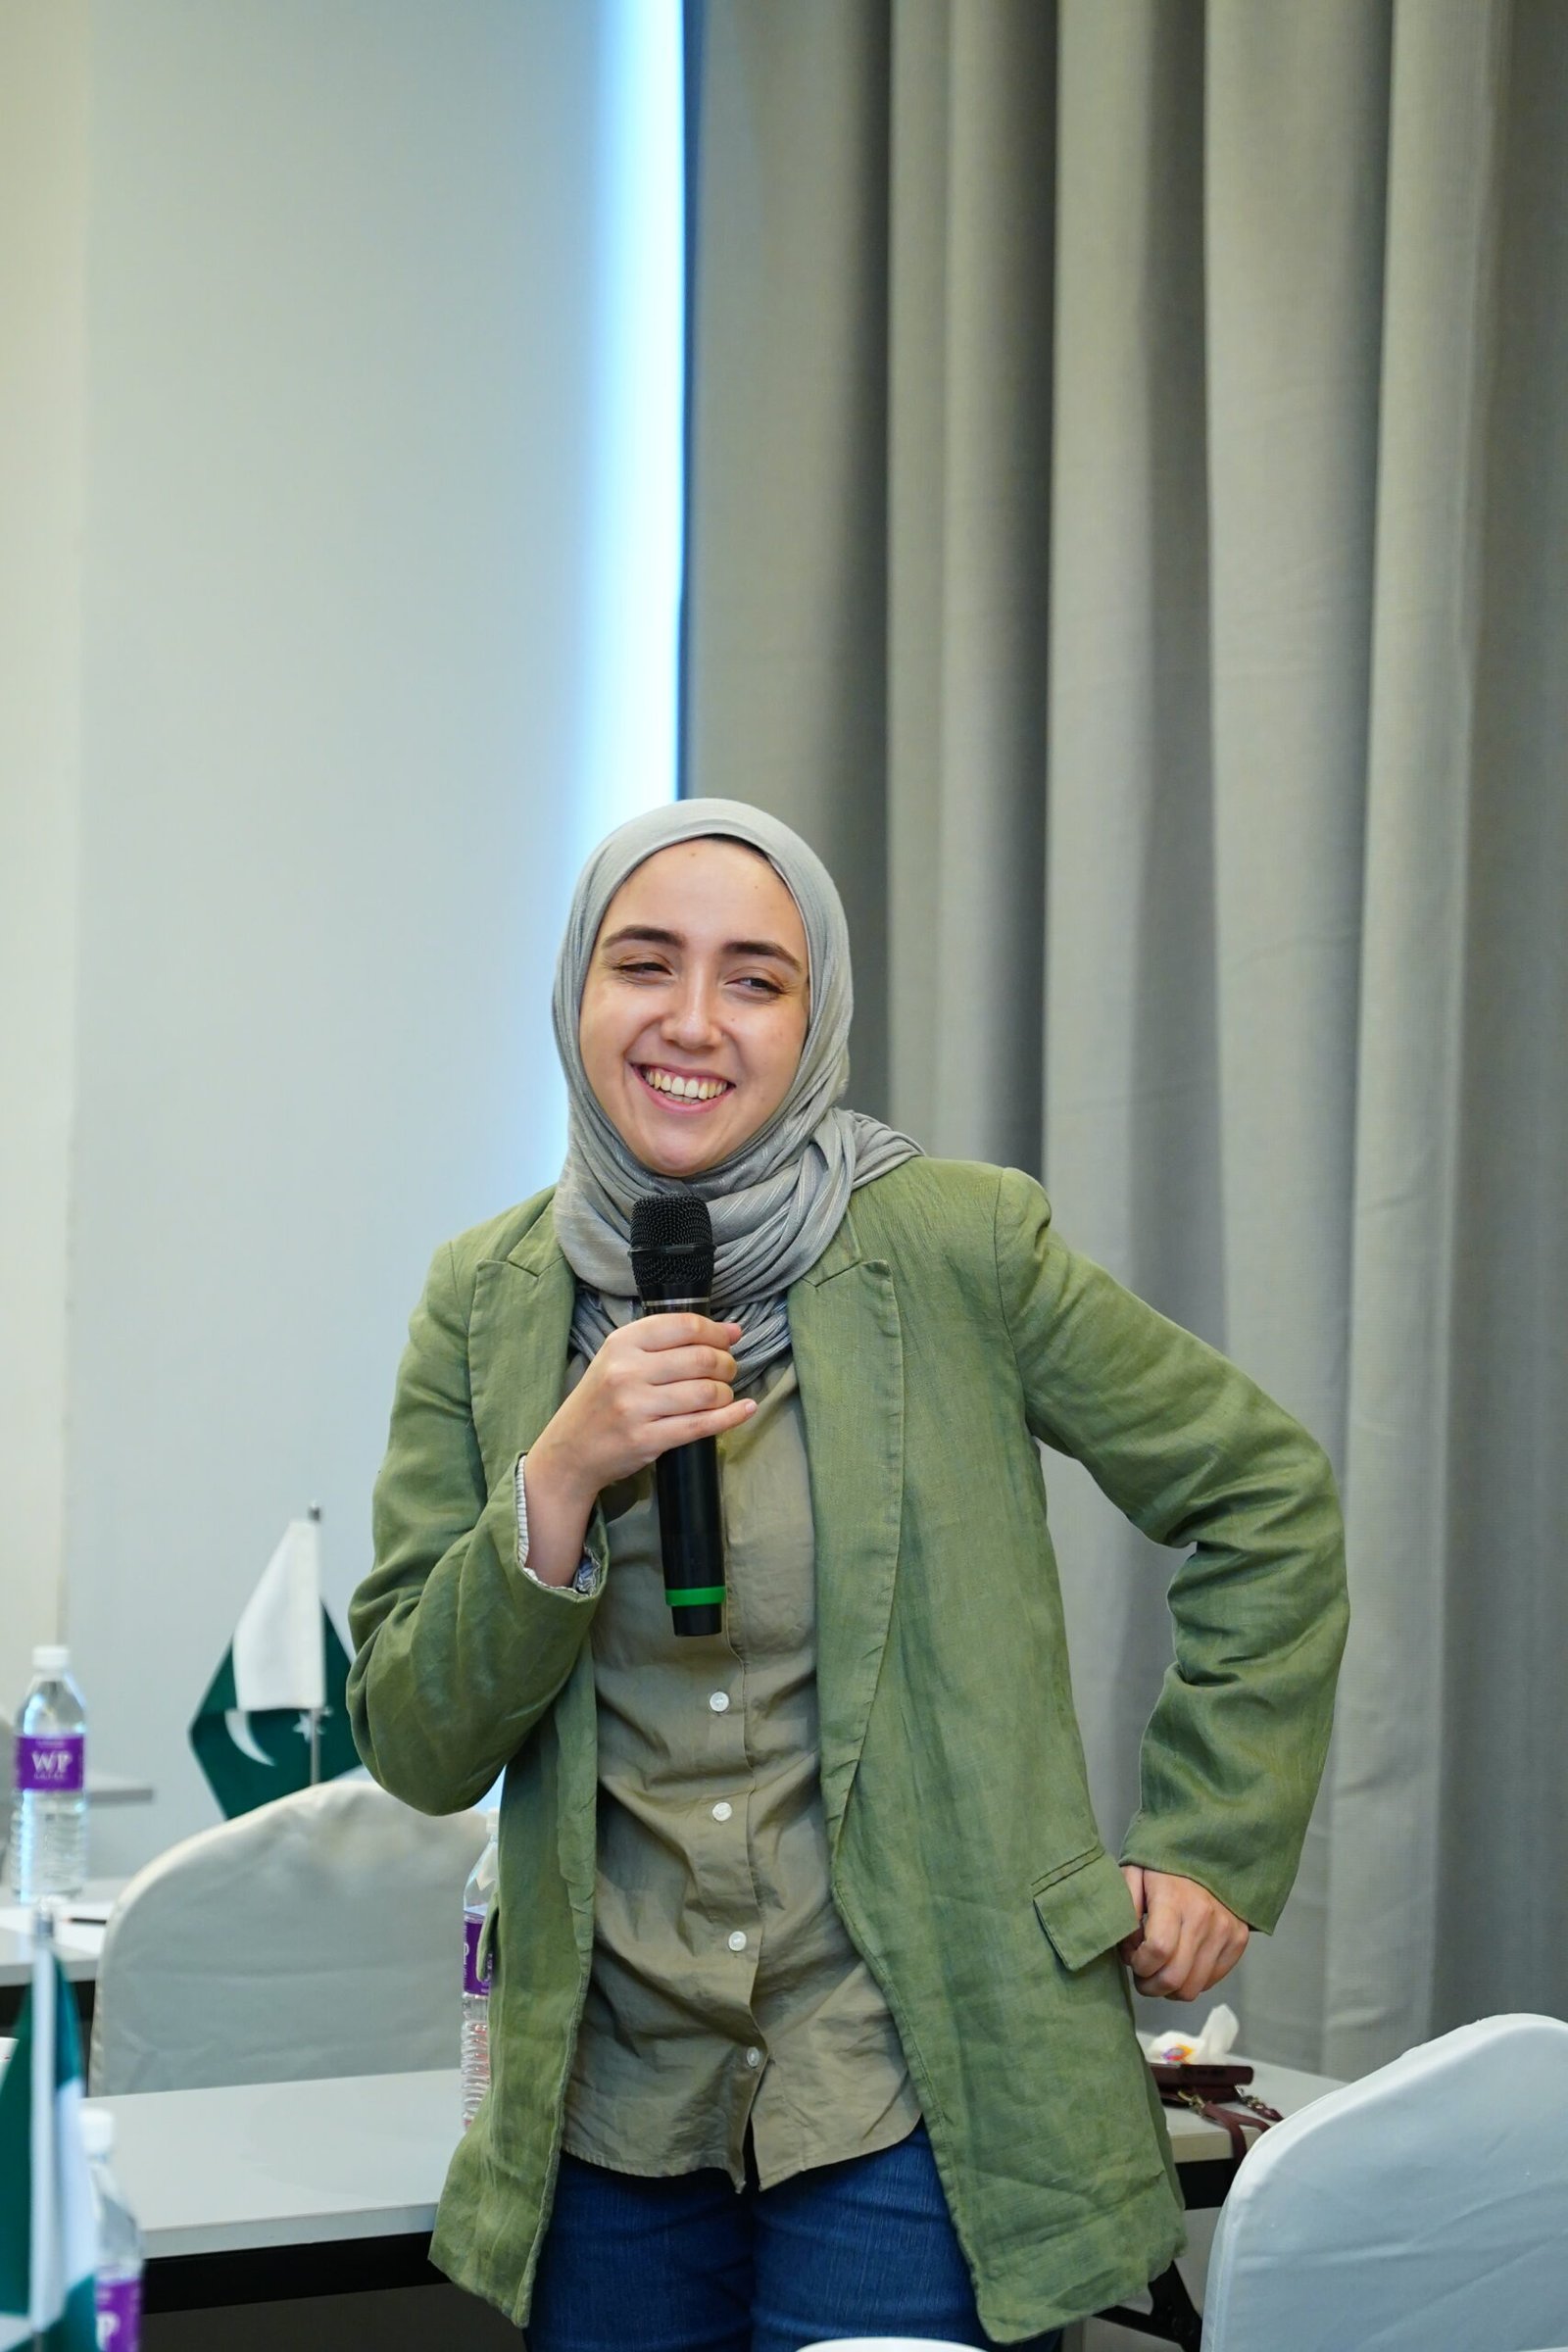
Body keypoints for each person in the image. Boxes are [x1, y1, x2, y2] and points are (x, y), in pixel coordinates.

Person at [347, 800, 1348, 2351]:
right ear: (576, 990)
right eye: (644, 964)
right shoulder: (485, 1300)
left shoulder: (960, 1244)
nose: (694, 1021)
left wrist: (1213, 1839)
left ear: (815, 1021)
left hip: (918, 2093)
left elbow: (1263, 1495)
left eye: (755, 979)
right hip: (613, 2112)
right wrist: (557, 1482)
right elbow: (417, 1742)